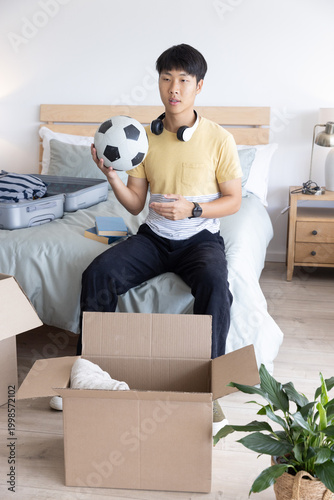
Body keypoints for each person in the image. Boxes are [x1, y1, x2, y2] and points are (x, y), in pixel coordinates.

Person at [78, 44, 242, 432]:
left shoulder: (220, 139)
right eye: (166, 78)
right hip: (153, 237)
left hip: (200, 239)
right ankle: (89, 373)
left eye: (184, 79)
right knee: (96, 273)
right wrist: (113, 176)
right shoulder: (139, 139)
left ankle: (209, 392)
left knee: (217, 286)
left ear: (199, 86)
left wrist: (195, 210)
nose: (174, 87)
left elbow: (234, 201)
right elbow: (136, 205)